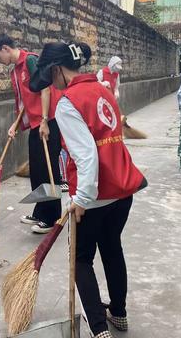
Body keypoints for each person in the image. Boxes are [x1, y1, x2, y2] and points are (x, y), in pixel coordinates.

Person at [31, 41, 145, 338]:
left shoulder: (68, 102)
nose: (51, 85)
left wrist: (81, 199)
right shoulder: (102, 89)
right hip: (123, 190)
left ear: (57, 70)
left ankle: (98, 330)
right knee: (112, 248)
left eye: (50, 77)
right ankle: (118, 314)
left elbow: (86, 156)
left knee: (81, 258)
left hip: (95, 195)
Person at [0, 34, 63, 234]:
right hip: (35, 125)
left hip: (48, 122)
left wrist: (45, 120)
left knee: (48, 170)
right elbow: (24, 103)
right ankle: (40, 212)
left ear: (5, 48)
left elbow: (45, 89)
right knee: (37, 171)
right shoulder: (15, 71)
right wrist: (15, 124)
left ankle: (52, 217)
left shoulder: (30, 60)